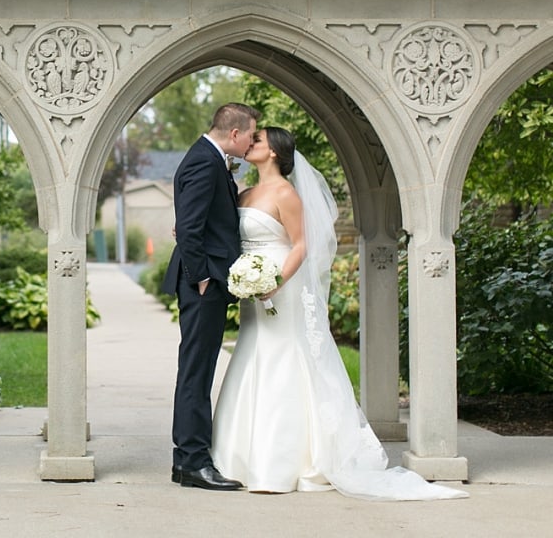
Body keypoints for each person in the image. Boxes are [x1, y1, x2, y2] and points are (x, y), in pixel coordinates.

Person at [211, 127, 468, 500]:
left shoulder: (287, 194)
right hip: (252, 289)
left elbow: (302, 245)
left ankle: (282, 462)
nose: (251, 144)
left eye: (258, 140)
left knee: (284, 358)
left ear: (274, 153)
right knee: (252, 354)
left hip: (281, 285)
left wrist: (275, 282)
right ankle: (239, 458)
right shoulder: (246, 193)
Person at [162, 102, 260, 491]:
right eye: (251, 134)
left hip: (208, 282)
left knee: (196, 372)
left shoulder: (209, 159)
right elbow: (188, 227)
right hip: (204, 285)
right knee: (196, 373)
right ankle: (193, 462)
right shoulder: (205, 161)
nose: (252, 141)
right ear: (234, 133)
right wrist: (202, 277)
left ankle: (185, 460)